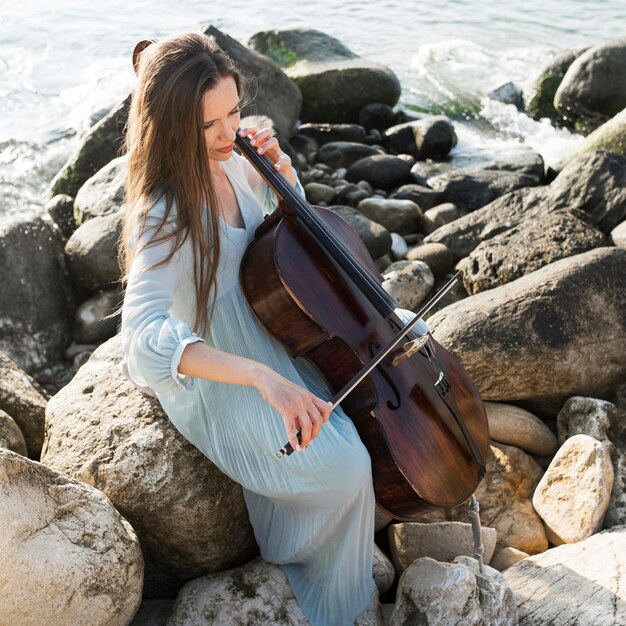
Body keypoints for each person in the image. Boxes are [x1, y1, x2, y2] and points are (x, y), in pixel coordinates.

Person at [119, 31, 428, 626]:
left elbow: (287, 251)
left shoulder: (235, 162)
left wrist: (285, 182)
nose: (227, 132)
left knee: (409, 337)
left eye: (233, 112)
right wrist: (262, 378)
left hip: (279, 328)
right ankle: (329, 600)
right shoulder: (161, 212)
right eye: (208, 124)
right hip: (224, 372)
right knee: (344, 470)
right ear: (169, 126)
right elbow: (139, 341)